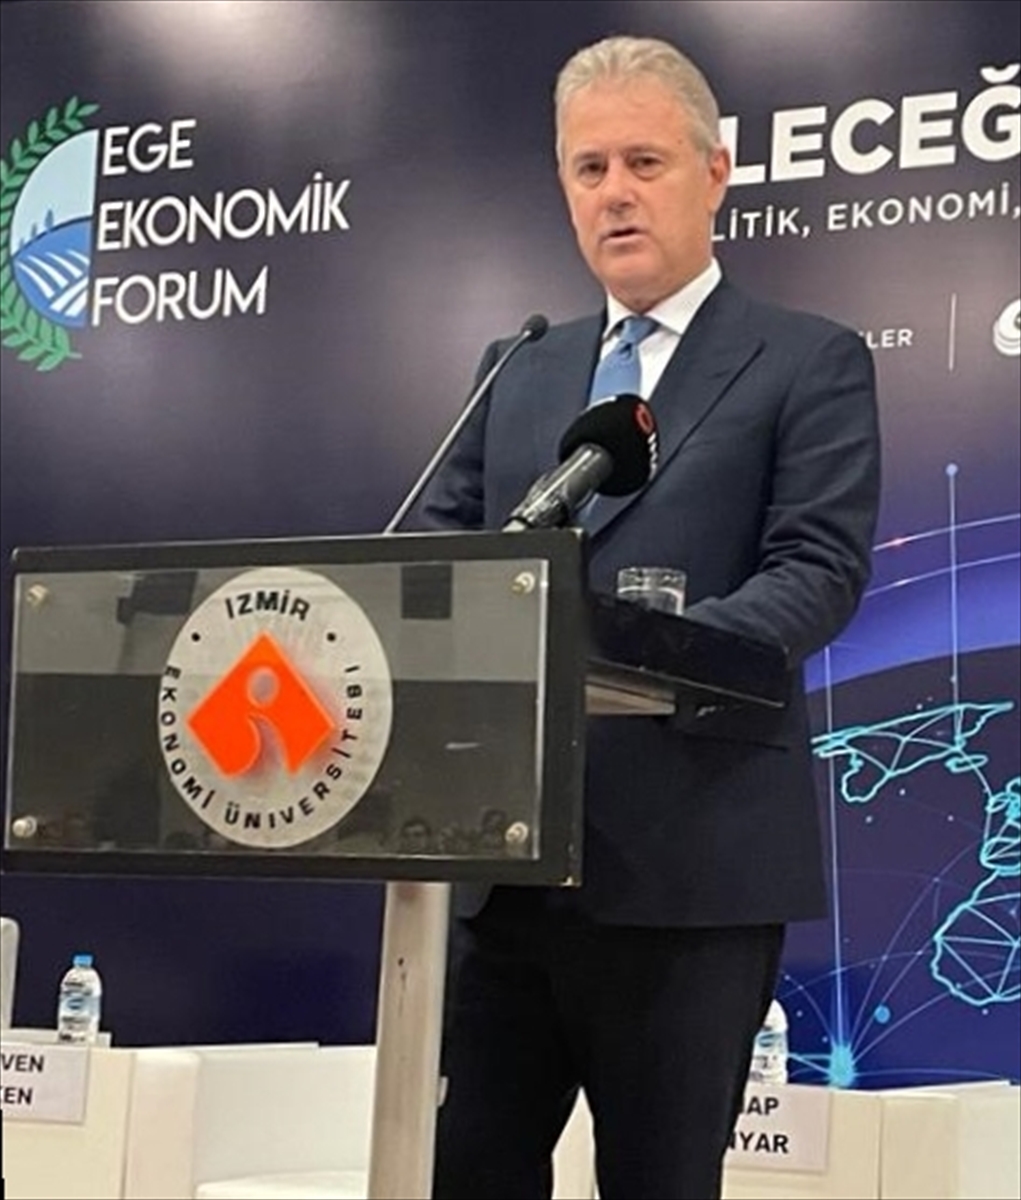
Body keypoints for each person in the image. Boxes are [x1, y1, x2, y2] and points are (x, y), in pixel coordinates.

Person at [419, 35, 881, 1200]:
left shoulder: (807, 361)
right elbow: (440, 556)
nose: (614, 192)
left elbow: (816, 571)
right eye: (588, 169)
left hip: (690, 869)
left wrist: (647, 655)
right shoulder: (518, 366)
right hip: (502, 868)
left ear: (714, 173)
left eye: (643, 162)